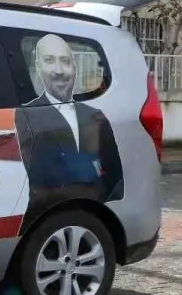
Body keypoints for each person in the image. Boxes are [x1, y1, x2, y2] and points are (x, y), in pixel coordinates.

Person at [15, 33, 124, 204]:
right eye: (50, 60)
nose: (59, 70)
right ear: (38, 66)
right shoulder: (26, 114)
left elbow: (115, 176)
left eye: (65, 61)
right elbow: (35, 177)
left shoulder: (94, 115)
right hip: (51, 219)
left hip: (94, 218)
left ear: (75, 67)